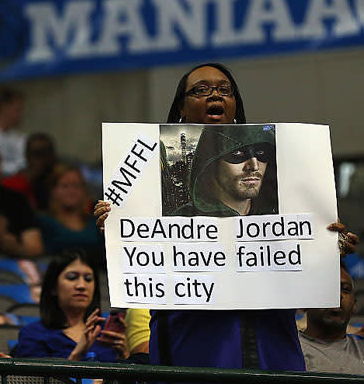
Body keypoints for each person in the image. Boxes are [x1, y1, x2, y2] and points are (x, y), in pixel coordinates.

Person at [93, 62, 359, 371]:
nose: (214, 95)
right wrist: (118, 228)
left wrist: (326, 247)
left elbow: (301, 271)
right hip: (191, 343)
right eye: (201, 90)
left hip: (272, 345)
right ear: (182, 106)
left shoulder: (284, 182)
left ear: (235, 104)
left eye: (223, 90)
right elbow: (140, 255)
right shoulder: (149, 180)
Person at [14, 248, 129, 362]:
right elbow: (34, 379)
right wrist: (77, 354)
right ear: (53, 287)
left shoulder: (106, 332)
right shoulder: (33, 334)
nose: (81, 285)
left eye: (88, 279)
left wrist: (125, 354)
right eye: (72, 277)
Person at [172, 124, 277, 217]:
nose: (254, 166)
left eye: (260, 152)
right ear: (211, 163)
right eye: (237, 154)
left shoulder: (278, 214)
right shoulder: (180, 220)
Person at [299, 264, 364, 373]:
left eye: (345, 289)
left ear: (354, 305)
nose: (338, 295)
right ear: (303, 302)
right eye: (327, 287)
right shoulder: (286, 350)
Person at [37, 165, 104, 262]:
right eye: (64, 186)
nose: (70, 191)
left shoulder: (97, 222)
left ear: (84, 190)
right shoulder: (42, 221)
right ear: (53, 190)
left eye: (76, 186)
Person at [2, 132, 57, 210]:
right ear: (26, 155)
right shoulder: (14, 184)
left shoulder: (58, 181)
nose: (40, 159)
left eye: (44, 153)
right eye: (36, 154)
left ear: (52, 156)